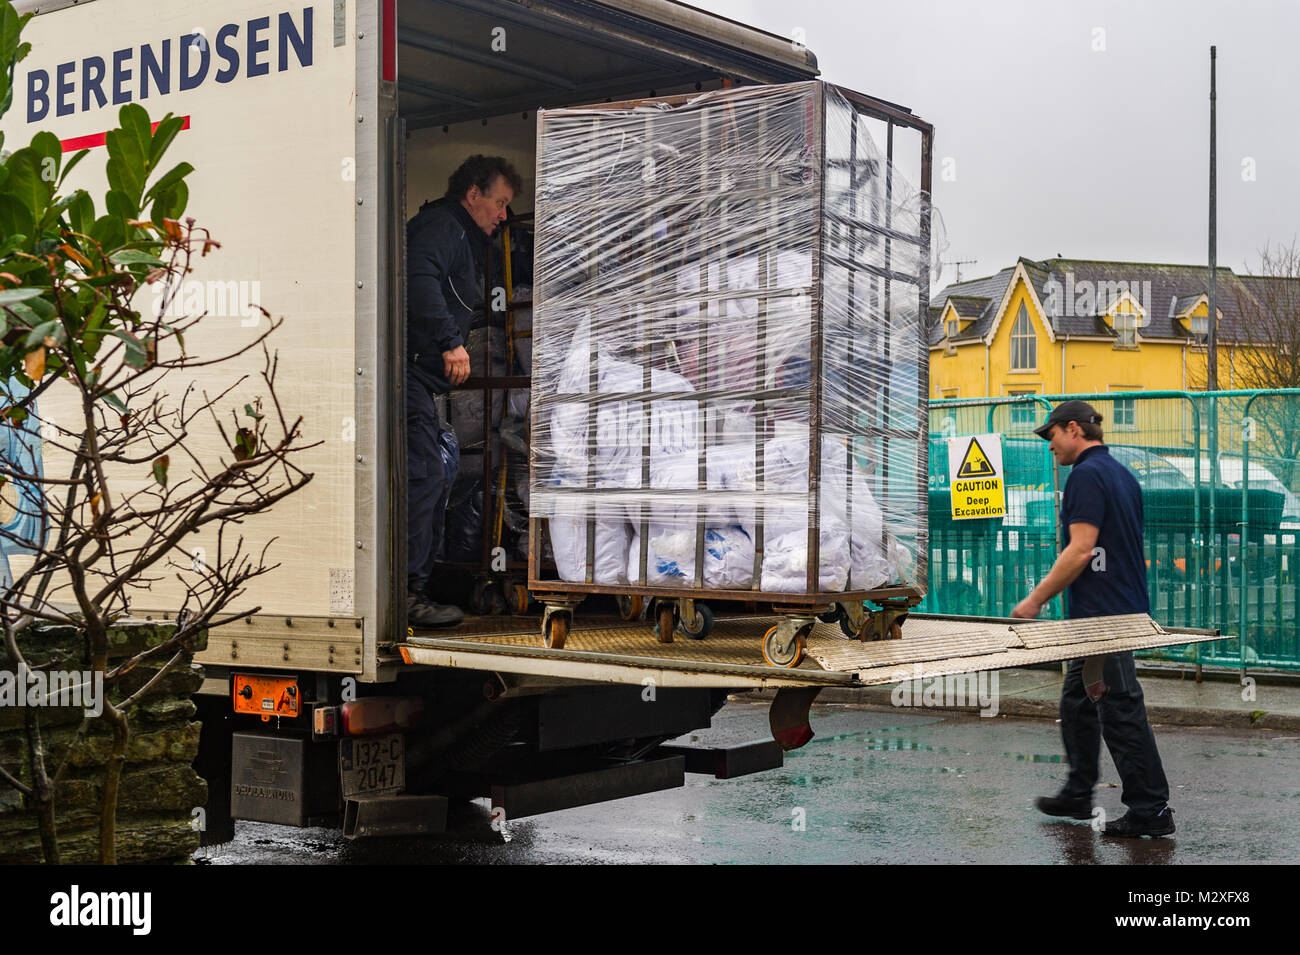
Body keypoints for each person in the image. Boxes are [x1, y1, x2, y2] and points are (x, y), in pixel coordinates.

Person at [1011, 400, 1176, 838]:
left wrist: (1035, 600)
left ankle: (1151, 810)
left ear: (1073, 430)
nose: (1050, 448)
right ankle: (1079, 792)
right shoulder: (1121, 473)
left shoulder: (1085, 475)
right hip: (1115, 607)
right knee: (1078, 701)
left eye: (1052, 438)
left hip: (1104, 616)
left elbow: (1081, 549)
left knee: (1119, 708)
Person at [405, 155, 522, 627]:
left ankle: (420, 585)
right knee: (426, 475)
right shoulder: (441, 226)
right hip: (409, 374)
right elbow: (418, 278)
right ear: (472, 194)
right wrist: (450, 342)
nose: (503, 214)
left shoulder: (457, 233)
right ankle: (410, 594)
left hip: (420, 380)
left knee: (437, 471)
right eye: (498, 202)